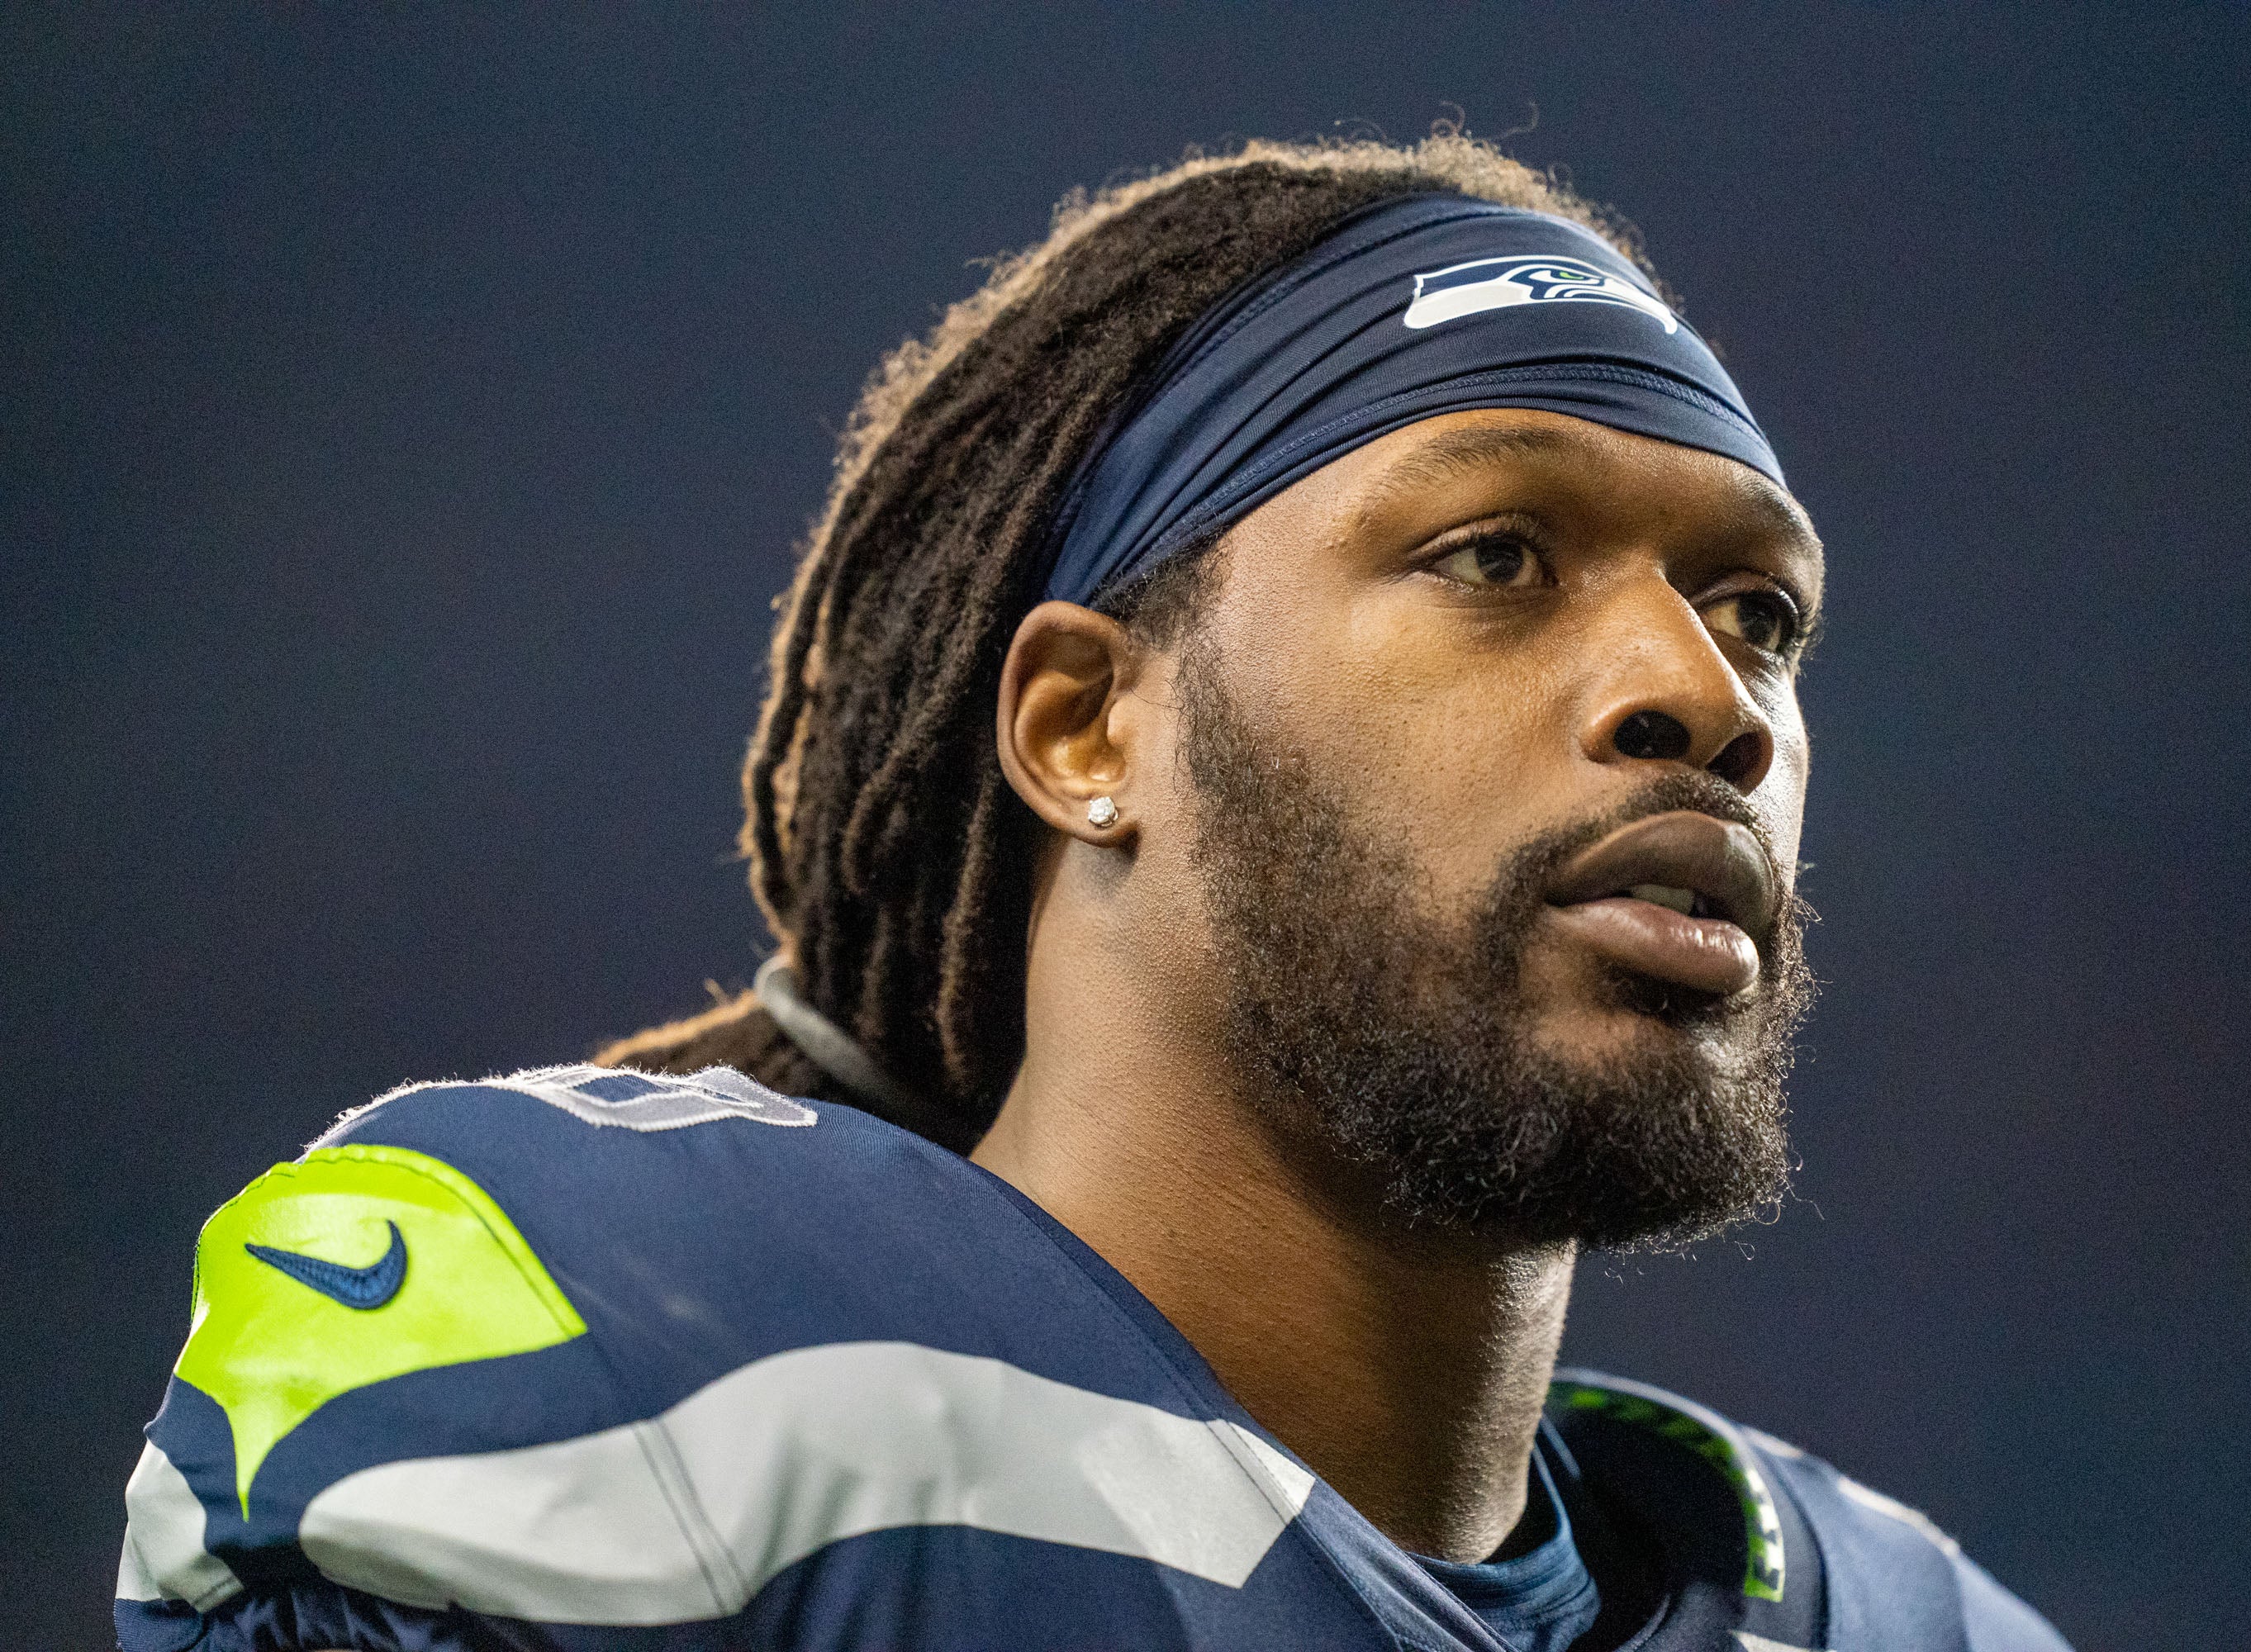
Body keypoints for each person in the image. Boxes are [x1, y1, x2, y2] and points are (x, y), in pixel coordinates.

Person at [114, 135, 2070, 1652]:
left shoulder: (1897, 1616)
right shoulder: (660, 1360)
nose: (1705, 695)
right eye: (1496, 554)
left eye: (1760, 614)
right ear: (1084, 726)